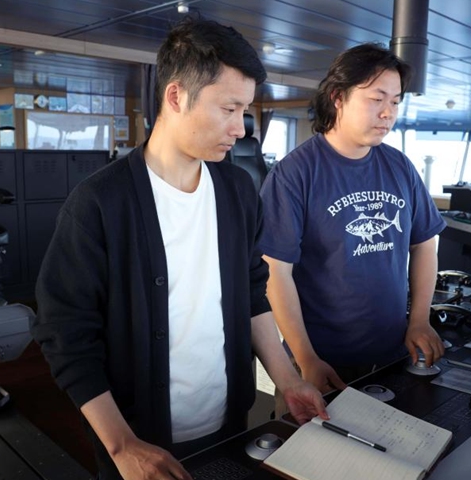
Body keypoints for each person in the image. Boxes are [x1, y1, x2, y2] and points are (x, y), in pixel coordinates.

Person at [32, 17, 327, 480]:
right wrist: (122, 443)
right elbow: (66, 335)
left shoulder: (238, 191)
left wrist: (288, 379)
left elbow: (253, 293)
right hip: (135, 439)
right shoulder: (99, 203)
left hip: (227, 421)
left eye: (245, 111)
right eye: (228, 109)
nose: (240, 128)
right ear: (175, 96)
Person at [259, 43, 447, 408]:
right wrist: (305, 356)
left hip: (395, 351)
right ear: (338, 98)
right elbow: (275, 272)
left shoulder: (401, 167)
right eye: (376, 99)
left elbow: (425, 244)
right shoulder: (295, 173)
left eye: (395, 102)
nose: (387, 113)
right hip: (320, 360)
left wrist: (420, 320)